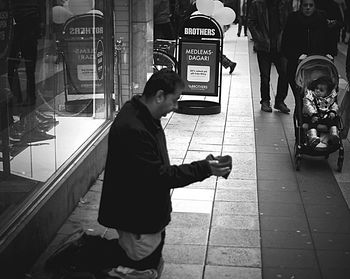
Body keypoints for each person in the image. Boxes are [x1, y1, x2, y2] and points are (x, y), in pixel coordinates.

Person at [98, 69, 232, 279]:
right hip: (137, 219)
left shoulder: (141, 114)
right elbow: (159, 176)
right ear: (159, 96)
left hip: (145, 214)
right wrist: (205, 168)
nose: (176, 106)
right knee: (140, 270)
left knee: (149, 266)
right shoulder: (134, 128)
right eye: (175, 100)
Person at [281, 0, 334, 110]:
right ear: (301, 6)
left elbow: (328, 38)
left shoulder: (321, 18)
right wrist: (295, 56)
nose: (308, 8)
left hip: (318, 65)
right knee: (300, 98)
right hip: (297, 66)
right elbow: (286, 43)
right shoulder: (293, 18)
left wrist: (330, 53)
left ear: (315, 6)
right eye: (305, 5)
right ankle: (301, 121)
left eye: (311, 5)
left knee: (319, 96)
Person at [247, 0, 292, 113]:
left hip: (281, 45)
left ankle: (280, 101)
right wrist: (259, 38)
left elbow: (289, 22)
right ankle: (265, 101)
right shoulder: (257, 4)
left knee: (284, 73)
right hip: (264, 46)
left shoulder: (284, 4)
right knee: (265, 76)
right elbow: (251, 22)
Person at [303, 76, 340, 147]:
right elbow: (308, 105)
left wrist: (333, 111)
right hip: (314, 116)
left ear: (327, 93)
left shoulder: (330, 98)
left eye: (321, 90)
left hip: (326, 116)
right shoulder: (310, 96)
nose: (317, 91)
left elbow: (334, 105)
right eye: (316, 88)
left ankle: (334, 134)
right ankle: (313, 137)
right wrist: (313, 114)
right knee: (311, 123)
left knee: (334, 120)